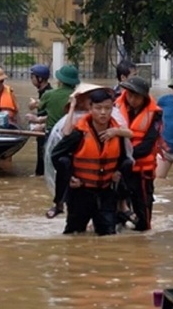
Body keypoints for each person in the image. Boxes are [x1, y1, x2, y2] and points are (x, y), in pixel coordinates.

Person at [50, 88, 133, 235]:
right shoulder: (78, 133)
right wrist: (70, 178)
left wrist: (118, 172)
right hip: (80, 192)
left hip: (106, 192)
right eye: (98, 108)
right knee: (74, 234)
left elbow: (125, 158)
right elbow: (56, 155)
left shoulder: (117, 134)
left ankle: (124, 208)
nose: (103, 112)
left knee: (108, 236)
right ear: (90, 108)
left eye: (107, 108)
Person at [115, 76, 162, 231]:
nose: (132, 99)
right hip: (120, 168)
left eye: (136, 96)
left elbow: (147, 145)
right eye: (129, 95)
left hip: (142, 170)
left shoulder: (155, 114)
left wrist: (125, 156)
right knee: (114, 210)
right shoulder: (115, 108)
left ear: (144, 97)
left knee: (143, 215)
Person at [25, 64, 53, 176]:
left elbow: (54, 114)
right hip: (42, 130)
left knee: (44, 158)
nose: (31, 80)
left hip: (46, 131)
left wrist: (40, 123)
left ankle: (40, 176)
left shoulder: (48, 93)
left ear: (40, 79)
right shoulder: (43, 92)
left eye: (32, 77)